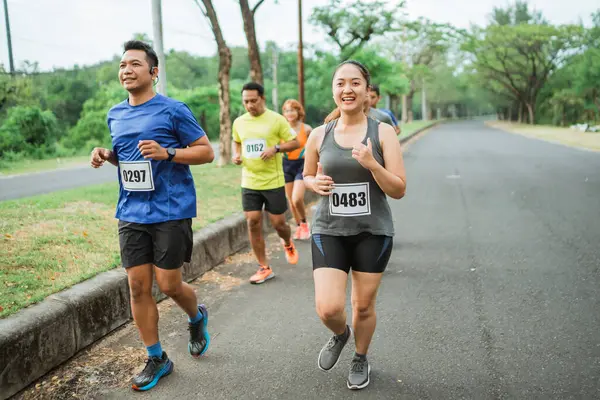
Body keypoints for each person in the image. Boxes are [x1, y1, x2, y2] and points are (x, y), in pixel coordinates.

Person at [90, 40, 214, 392]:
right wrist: (107, 155)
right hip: (131, 209)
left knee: (169, 284)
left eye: (134, 64)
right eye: (122, 65)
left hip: (170, 209)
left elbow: (206, 152)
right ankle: (157, 357)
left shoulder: (173, 110)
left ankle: (196, 315)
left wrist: (168, 152)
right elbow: (128, 156)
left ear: (153, 72)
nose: (126, 70)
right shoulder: (115, 113)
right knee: (137, 286)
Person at [303, 60, 406, 390]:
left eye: (355, 83)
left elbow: (399, 189)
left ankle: (360, 356)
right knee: (329, 308)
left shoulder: (383, 132)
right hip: (329, 228)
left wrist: (372, 164)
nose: (347, 89)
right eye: (340, 83)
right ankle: (340, 333)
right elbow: (305, 175)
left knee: (362, 306)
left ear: (366, 91)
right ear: (333, 90)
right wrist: (312, 183)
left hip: (372, 232)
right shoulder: (319, 134)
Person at [232, 82, 301, 284]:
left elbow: (295, 142)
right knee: (252, 221)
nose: (250, 105)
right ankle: (263, 267)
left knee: (279, 223)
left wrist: (276, 148)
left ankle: (287, 242)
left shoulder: (276, 120)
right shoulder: (239, 122)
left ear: (262, 98)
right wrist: (237, 154)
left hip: (273, 180)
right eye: (246, 101)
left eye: (253, 101)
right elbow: (237, 140)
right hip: (250, 180)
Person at [281, 99, 313, 240]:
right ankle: (299, 226)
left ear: (298, 111)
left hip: (302, 164)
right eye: (287, 110)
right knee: (290, 200)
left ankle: (305, 223)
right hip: (286, 164)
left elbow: (315, 146)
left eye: (292, 110)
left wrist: (310, 153)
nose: (290, 113)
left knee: (297, 198)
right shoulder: (281, 128)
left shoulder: (306, 129)